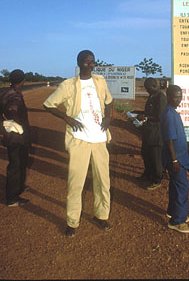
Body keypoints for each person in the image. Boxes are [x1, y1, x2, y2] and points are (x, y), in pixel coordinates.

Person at [43, 50, 113, 237]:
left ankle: (101, 215)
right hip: (79, 140)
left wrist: (107, 118)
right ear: (80, 63)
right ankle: (72, 221)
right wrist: (67, 118)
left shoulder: (100, 81)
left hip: (100, 139)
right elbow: (48, 104)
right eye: (88, 61)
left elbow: (108, 101)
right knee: (76, 183)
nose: (91, 65)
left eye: (93, 62)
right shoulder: (68, 85)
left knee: (103, 181)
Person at [160, 84, 189, 234]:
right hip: (176, 159)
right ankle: (177, 221)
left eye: (180, 96)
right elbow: (169, 140)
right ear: (168, 96)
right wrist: (174, 160)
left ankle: (173, 211)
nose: (178, 99)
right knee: (182, 188)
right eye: (175, 96)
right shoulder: (168, 114)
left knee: (175, 186)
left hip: (178, 157)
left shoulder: (172, 112)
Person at [0, 69, 30, 207]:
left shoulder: (6, 93)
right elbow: (13, 111)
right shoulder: (15, 97)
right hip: (17, 136)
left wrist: (4, 126)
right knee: (16, 166)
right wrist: (15, 124)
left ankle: (18, 188)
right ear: (22, 81)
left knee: (18, 163)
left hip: (11, 134)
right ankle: (12, 198)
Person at [135, 77, 167, 190]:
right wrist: (138, 113)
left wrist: (146, 117)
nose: (147, 90)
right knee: (146, 154)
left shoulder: (160, 97)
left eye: (148, 88)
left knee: (155, 157)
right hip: (148, 131)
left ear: (154, 86)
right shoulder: (152, 96)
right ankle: (147, 175)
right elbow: (149, 112)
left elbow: (160, 116)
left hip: (156, 132)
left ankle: (157, 179)